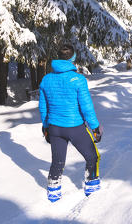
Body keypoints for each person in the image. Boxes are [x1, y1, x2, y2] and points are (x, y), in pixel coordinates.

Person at [38, 43, 104, 201]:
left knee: (57, 162)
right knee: (93, 157)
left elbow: (43, 108)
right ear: (73, 58)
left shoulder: (46, 79)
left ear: (58, 57)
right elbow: (87, 107)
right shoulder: (79, 79)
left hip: (54, 128)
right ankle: (92, 189)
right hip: (75, 128)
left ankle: (53, 194)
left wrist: (46, 127)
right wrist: (95, 128)